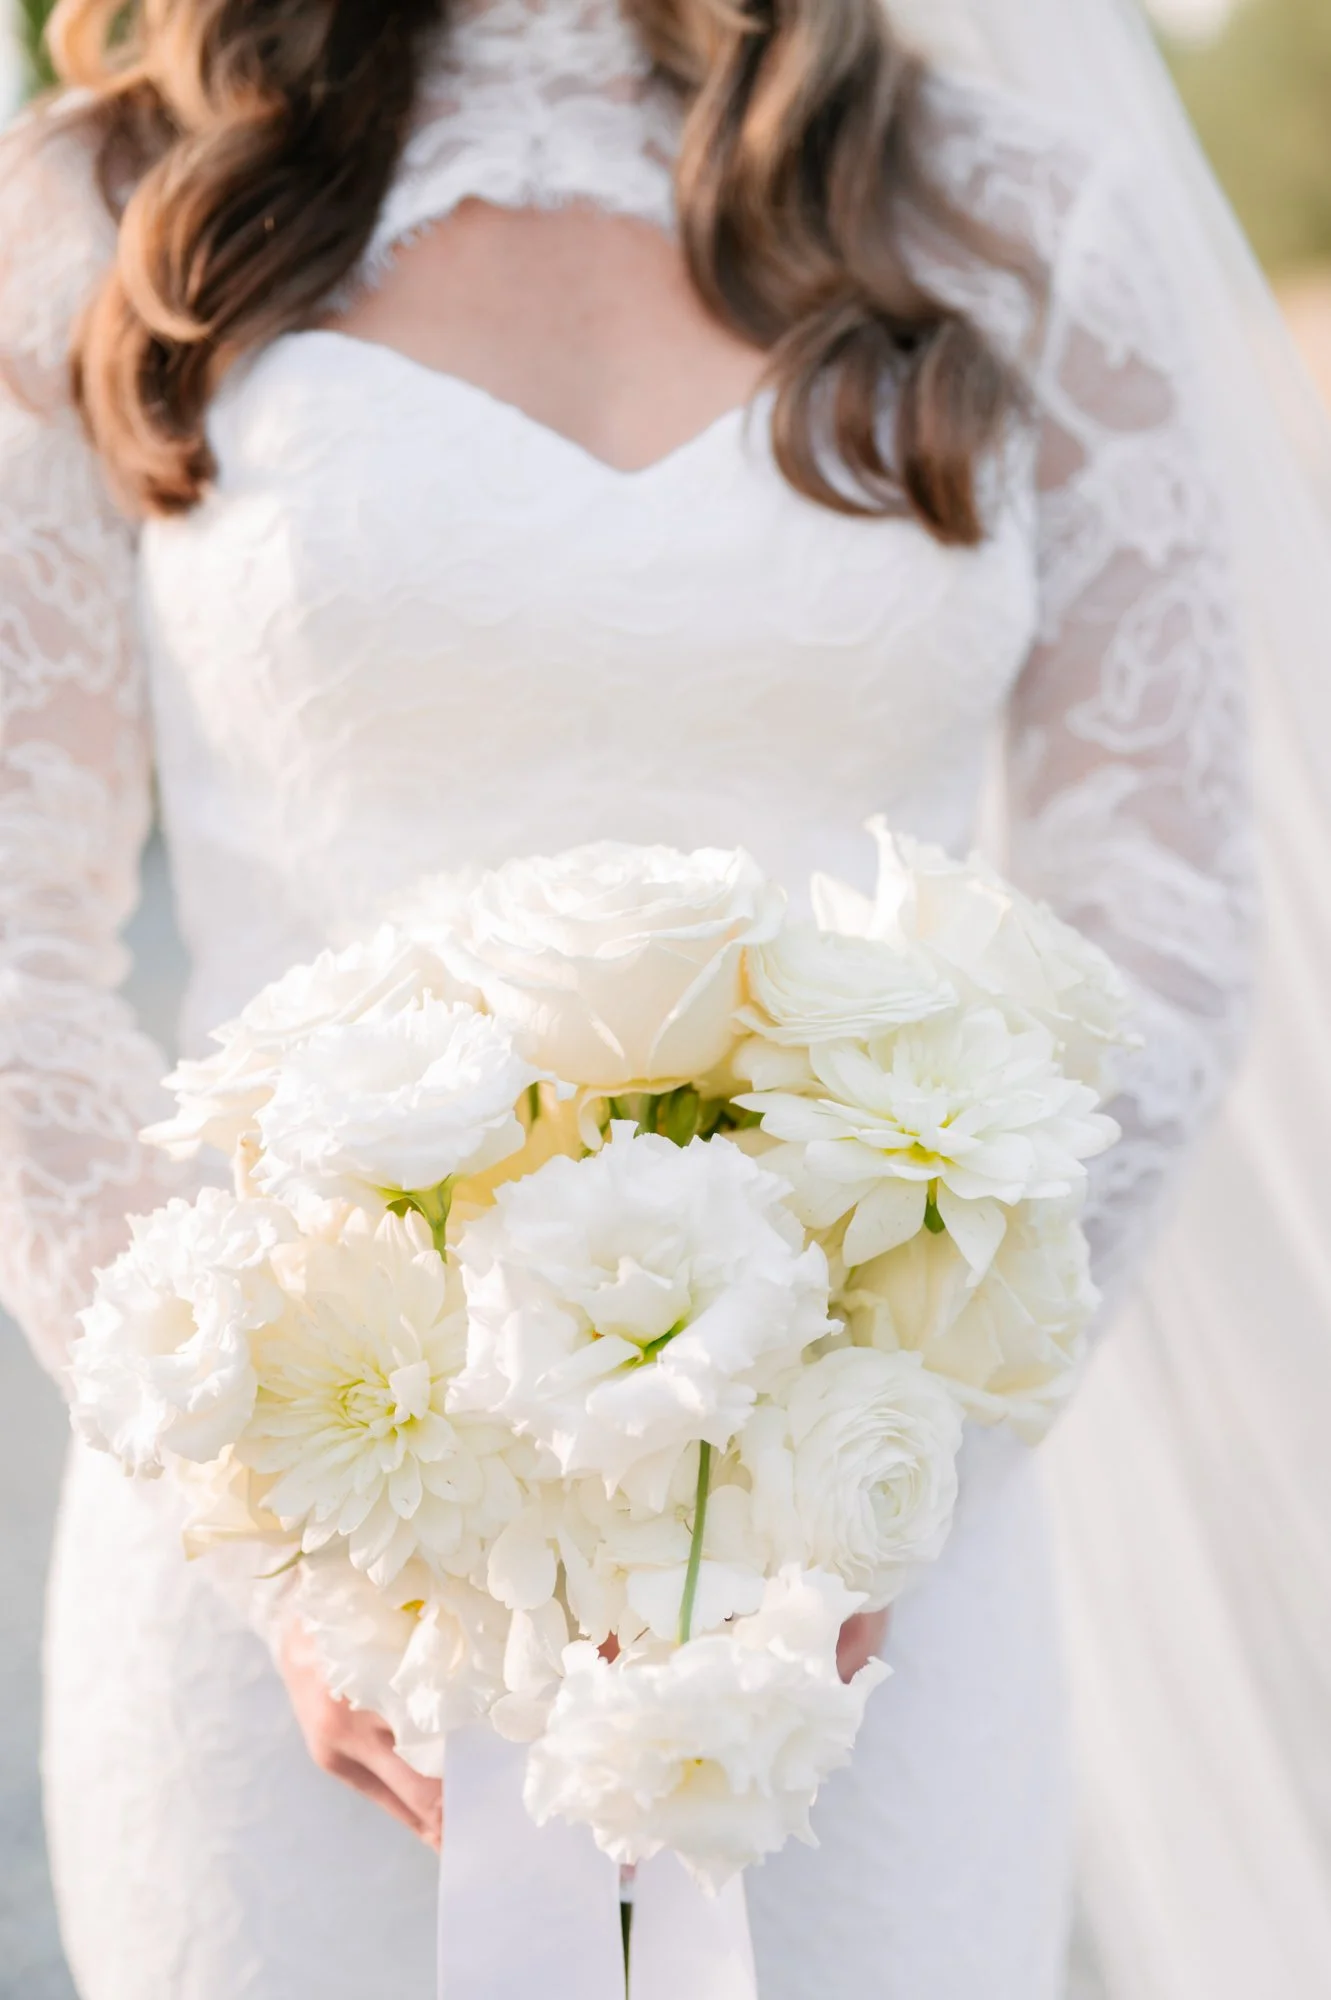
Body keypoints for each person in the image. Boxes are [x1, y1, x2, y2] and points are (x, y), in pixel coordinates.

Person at [0, 1, 1255, 1996]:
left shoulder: (1014, 224)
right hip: (291, 1595)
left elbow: (1163, 903)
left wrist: (867, 1469)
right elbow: (15, 941)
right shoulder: (108, 206)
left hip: (862, 1603)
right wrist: (271, 1523)